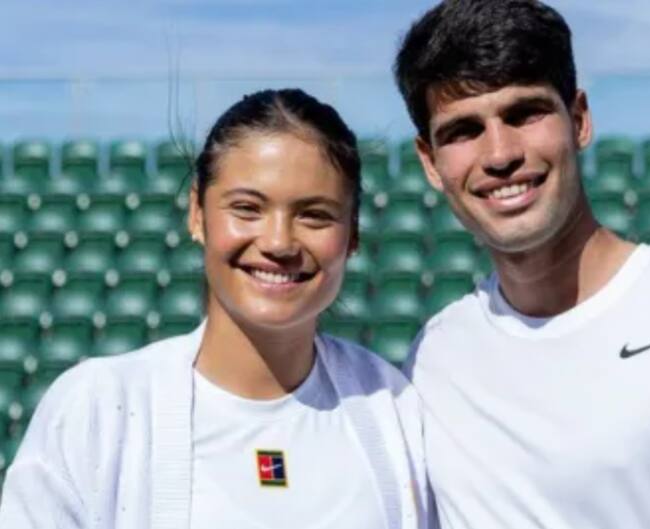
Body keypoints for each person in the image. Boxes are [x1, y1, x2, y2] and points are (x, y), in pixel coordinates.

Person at [394, 1, 650, 528]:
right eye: (463, 130)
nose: (499, 154)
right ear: (429, 161)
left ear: (579, 119)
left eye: (523, 113)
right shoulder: (434, 356)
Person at [0, 88, 434, 529]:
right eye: (247, 209)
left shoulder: (393, 408)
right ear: (197, 213)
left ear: (353, 234)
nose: (279, 242)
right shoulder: (99, 409)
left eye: (314, 215)